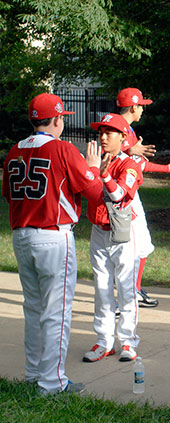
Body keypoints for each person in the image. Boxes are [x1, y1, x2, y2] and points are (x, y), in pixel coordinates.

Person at [2, 93, 102, 394]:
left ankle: (34, 374)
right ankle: (52, 382)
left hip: (21, 235)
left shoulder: (14, 150)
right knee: (56, 311)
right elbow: (95, 191)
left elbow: (8, 193)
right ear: (57, 119)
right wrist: (93, 167)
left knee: (33, 308)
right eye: (62, 118)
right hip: (53, 236)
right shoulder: (62, 148)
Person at [117, 87, 170, 308]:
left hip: (128, 191)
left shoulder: (127, 129)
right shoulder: (118, 128)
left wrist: (168, 168)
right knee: (137, 246)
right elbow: (109, 155)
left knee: (140, 245)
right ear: (132, 106)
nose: (143, 110)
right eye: (141, 106)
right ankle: (128, 294)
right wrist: (129, 150)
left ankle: (132, 290)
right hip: (121, 193)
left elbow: (138, 163)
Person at [83, 113, 143, 363]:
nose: (103, 137)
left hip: (122, 233)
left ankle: (128, 341)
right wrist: (90, 171)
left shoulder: (129, 163)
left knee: (126, 287)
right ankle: (104, 341)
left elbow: (120, 196)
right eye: (100, 132)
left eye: (109, 132)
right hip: (99, 231)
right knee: (102, 287)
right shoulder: (95, 160)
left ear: (123, 137)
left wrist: (102, 175)